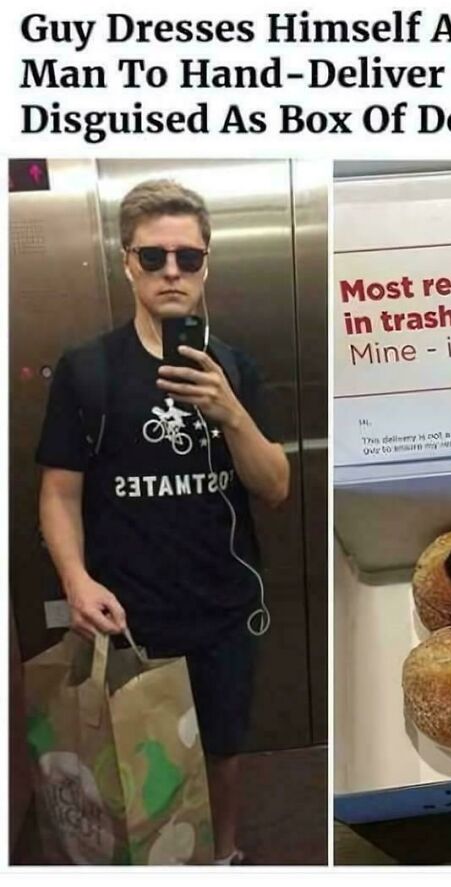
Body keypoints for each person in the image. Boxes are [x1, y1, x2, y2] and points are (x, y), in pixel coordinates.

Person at [36, 179, 290, 865]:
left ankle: (223, 855)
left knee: (224, 748)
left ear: (207, 262)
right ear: (127, 263)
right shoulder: (87, 370)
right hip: (126, 613)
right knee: (132, 758)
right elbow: (59, 493)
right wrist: (76, 579)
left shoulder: (234, 366)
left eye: (188, 257)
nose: (172, 271)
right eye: (154, 257)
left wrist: (230, 410)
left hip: (224, 606)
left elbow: (275, 487)